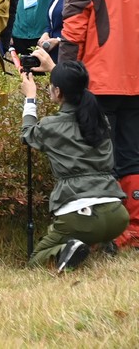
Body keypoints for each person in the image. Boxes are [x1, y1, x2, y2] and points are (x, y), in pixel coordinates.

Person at [60, 0, 139, 249]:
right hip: (135, 81)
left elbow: (73, 34)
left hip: (98, 82)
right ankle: (133, 230)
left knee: (97, 158)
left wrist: (64, 80)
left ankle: (107, 230)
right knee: (132, 155)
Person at [17, 47, 128, 272]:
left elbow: (27, 134)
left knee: (36, 259)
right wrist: (56, 69)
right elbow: (79, 90)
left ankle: (69, 247)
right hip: (117, 215)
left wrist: (30, 98)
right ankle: (104, 243)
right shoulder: (100, 119)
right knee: (97, 227)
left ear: (57, 92)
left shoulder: (51, 126)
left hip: (81, 217)